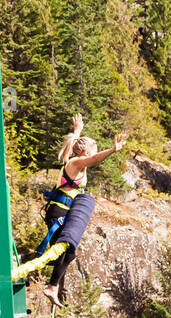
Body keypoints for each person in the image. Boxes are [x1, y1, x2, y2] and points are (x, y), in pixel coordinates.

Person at [42, 116, 127, 307]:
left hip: (62, 211)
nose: (96, 151)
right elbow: (94, 159)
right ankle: (49, 284)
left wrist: (77, 131)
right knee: (64, 252)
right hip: (59, 212)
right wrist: (112, 150)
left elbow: (74, 146)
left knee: (65, 253)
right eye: (93, 148)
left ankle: (51, 284)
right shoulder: (76, 163)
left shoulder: (72, 159)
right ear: (85, 152)